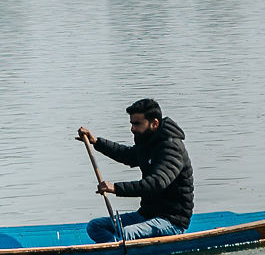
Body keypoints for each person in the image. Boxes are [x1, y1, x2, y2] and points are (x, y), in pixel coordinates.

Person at [78, 98, 193, 242]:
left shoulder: (172, 148)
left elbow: (156, 183)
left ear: (155, 123)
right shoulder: (148, 141)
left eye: (137, 124)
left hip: (171, 221)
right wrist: (97, 142)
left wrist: (116, 188)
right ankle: (116, 248)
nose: (132, 128)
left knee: (126, 234)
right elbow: (128, 155)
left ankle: (118, 247)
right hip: (146, 215)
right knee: (95, 226)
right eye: (132, 123)